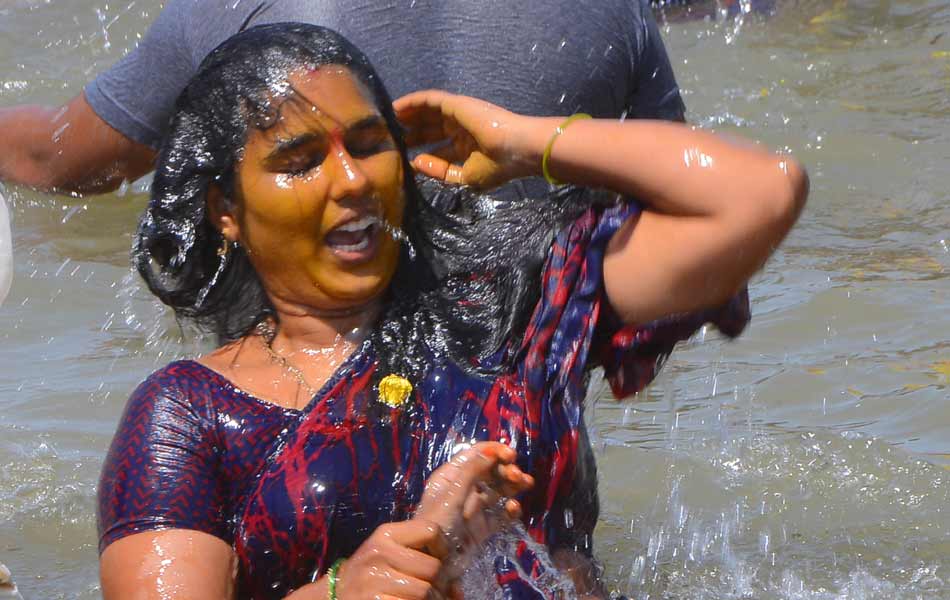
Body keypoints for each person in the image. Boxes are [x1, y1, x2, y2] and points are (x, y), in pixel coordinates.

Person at [98, 23, 806, 600]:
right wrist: (356, 587)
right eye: (301, 159)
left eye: (372, 145)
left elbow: (760, 194)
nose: (352, 182)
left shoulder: (513, 307)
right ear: (226, 210)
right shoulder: (188, 417)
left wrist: (530, 144)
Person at [0, 0, 684, 196]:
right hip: (528, 477)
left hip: (306, 482)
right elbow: (683, 200)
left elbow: (59, 162)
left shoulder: (233, 11)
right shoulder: (613, 13)